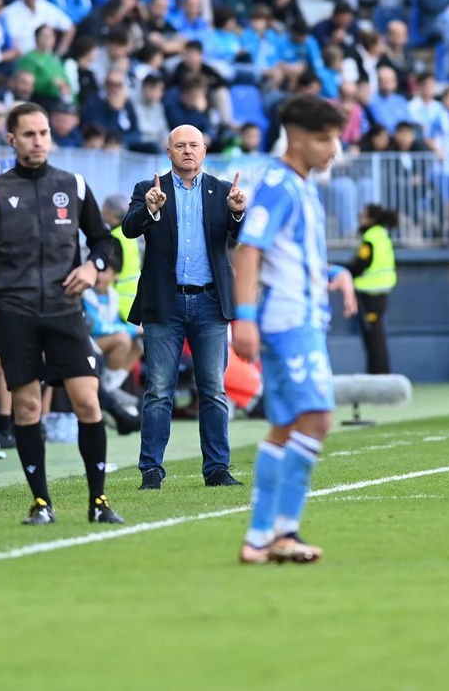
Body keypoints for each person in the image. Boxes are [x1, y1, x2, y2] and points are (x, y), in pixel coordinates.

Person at [0, 102, 124, 526]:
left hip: (65, 309)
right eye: (29, 134)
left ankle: (99, 501)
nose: (38, 141)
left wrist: (92, 267)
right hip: (14, 313)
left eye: (44, 133)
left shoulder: (74, 185)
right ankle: (41, 502)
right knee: (28, 408)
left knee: (88, 401)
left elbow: (104, 241)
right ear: (11, 139)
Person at [233, 94, 355, 565]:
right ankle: (282, 530)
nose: (334, 149)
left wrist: (331, 275)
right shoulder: (279, 185)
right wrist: (245, 317)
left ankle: (262, 537)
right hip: (289, 322)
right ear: (297, 138)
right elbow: (250, 250)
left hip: (302, 317)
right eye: (325, 139)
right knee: (318, 417)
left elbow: (290, 256)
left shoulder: (303, 186)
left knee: (284, 426)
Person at [121, 125, 248, 490]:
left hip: (210, 302)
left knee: (213, 390)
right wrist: (149, 209)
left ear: (204, 150)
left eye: (194, 145)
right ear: (169, 151)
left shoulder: (222, 191)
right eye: (180, 145)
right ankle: (151, 471)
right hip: (165, 303)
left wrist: (239, 214)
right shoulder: (148, 189)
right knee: (159, 390)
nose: (188, 151)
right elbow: (128, 229)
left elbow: (241, 237)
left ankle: (217, 469)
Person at [347, 203, 397, 375]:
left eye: (362, 216)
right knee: (377, 335)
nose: (360, 220)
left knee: (373, 338)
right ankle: (380, 373)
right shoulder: (382, 234)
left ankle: (378, 374)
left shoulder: (370, 237)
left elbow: (361, 264)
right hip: (381, 291)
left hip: (370, 293)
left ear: (370, 219)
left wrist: (344, 272)